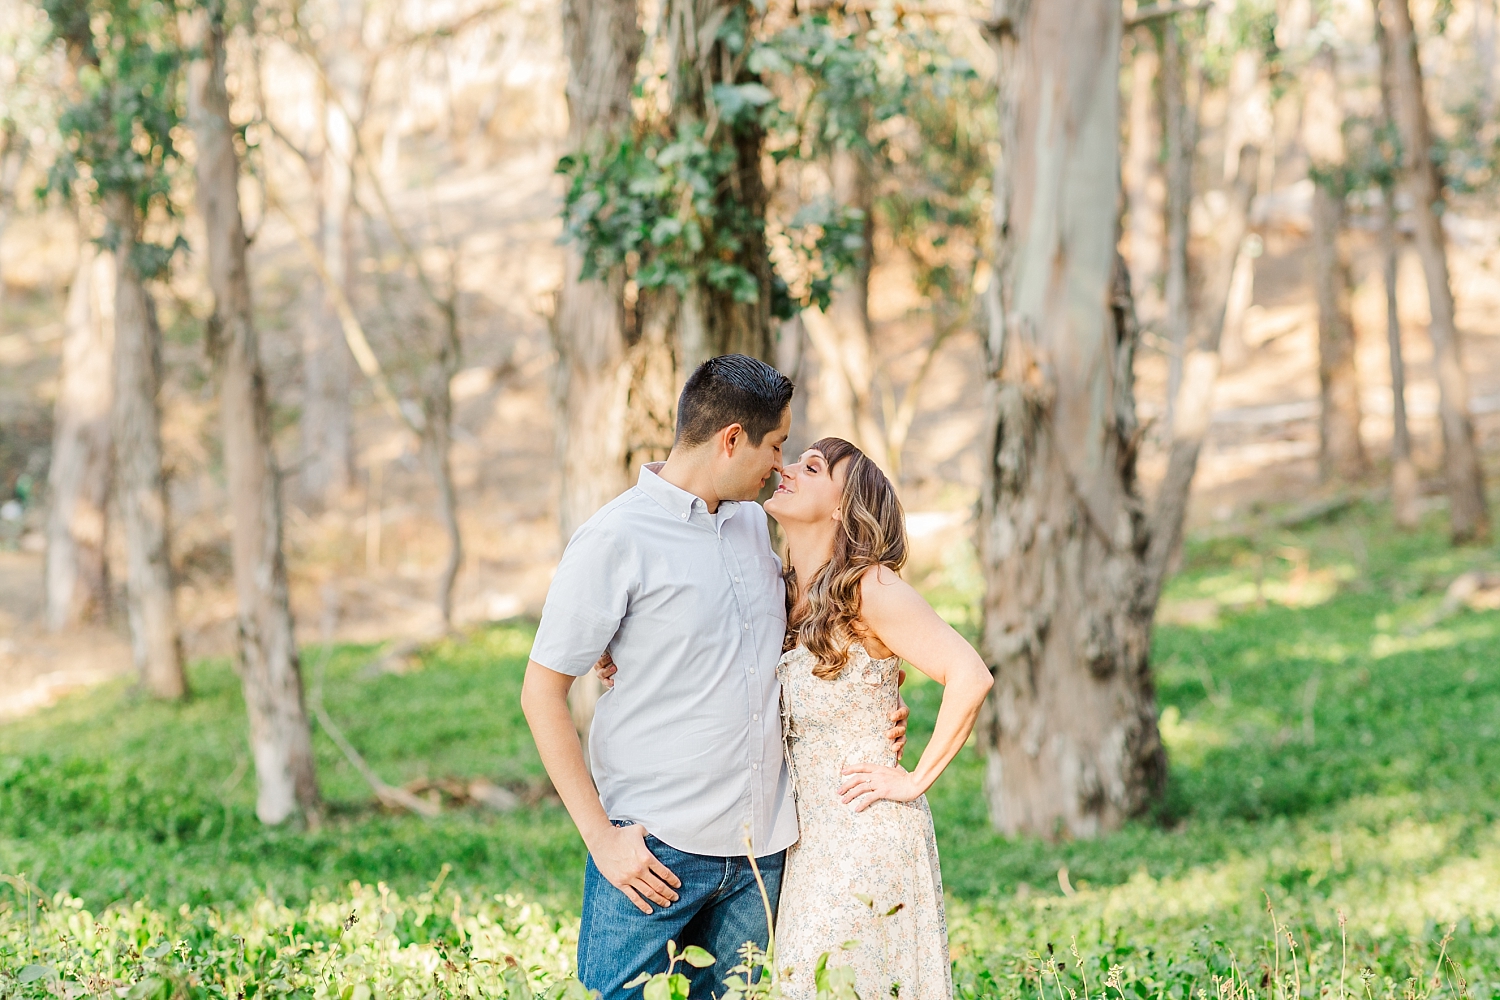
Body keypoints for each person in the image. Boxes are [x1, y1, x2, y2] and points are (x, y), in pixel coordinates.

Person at [521, 357, 906, 1000]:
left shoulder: (756, 525)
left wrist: (869, 708)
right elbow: (540, 694)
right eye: (776, 445)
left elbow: (802, 640)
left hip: (764, 857)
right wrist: (603, 842)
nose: (779, 466)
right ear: (732, 439)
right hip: (655, 855)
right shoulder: (614, 539)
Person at [764, 437, 993, 1000]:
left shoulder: (871, 586)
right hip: (805, 844)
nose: (787, 468)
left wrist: (914, 779)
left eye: (811, 467)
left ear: (844, 506)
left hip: (865, 834)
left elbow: (971, 675)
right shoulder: (781, 588)